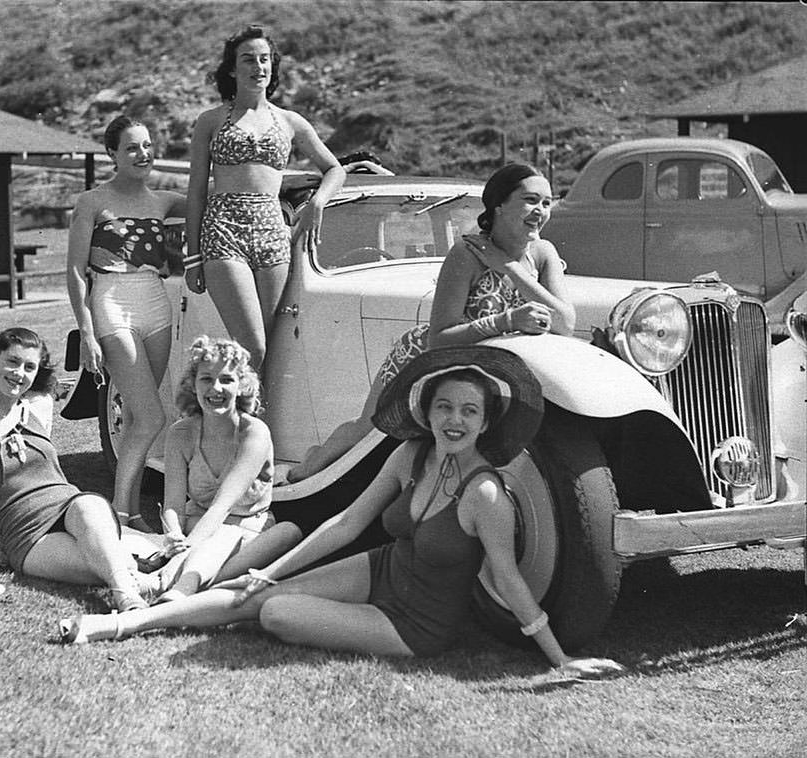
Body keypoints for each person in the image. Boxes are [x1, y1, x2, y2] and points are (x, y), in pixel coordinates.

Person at [58, 346, 625, 680]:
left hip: (416, 623)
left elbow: (507, 579)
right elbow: (346, 524)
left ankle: (181, 610)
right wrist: (272, 569)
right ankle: (120, 623)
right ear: (426, 413)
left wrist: (559, 658)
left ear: (485, 421)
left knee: (276, 614)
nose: (455, 420)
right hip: (380, 569)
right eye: (444, 406)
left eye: (469, 411)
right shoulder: (411, 454)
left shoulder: (486, 495)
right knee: (258, 592)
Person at [285, 162, 573, 483]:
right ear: (500, 205)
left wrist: (511, 269)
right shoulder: (466, 253)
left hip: (492, 367)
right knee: (368, 428)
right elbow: (439, 338)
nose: (541, 211)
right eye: (531, 200)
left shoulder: (542, 253)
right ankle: (305, 470)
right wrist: (508, 320)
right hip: (426, 356)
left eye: (547, 203)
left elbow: (564, 323)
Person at [0, 327, 147, 612]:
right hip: (24, 532)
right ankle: (147, 583)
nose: (19, 373)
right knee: (108, 562)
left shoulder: (39, 405)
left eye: (29, 367)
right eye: (12, 361)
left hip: (69, 505)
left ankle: (127, 597)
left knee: (89, 508)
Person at [184, 25, 345, 372]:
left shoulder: (290, 121)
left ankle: (255, 424)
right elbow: (196, 189)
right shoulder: (209, 121)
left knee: (271, 350)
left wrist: (318, 202)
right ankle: (239, 423)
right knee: (251, 347)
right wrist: (192, 256)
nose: (258, 67)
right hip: (223, 233)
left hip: (273, 234)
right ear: (232, 68)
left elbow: (335, 169)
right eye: (248, 60)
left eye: (265, 59)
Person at [66, 116, 187, 532]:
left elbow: (217, 200)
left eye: (148, 145)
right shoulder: (92, 202)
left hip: (155, 302)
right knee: (153, 418)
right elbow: (77, 272)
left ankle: (131, 513)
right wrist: (86, 332)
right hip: (112, 302)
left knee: (139, 419)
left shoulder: (165, 201)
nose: (143, 154)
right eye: (132, 147)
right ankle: (121, 513)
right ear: (112, 154)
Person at [143, 336, 302, 603]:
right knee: (209, 540)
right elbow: (173, 503)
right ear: (193, 385)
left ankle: (174, 582)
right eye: (206, 379)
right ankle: (189, 586)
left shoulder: (254, 433)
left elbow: (222, 507)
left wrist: (182, 552)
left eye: (226, 379)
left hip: (246, 532)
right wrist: (173, 533)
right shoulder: (180, 434)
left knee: (264, 533)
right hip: (195, 529)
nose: (216, 388)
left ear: (242, 386)